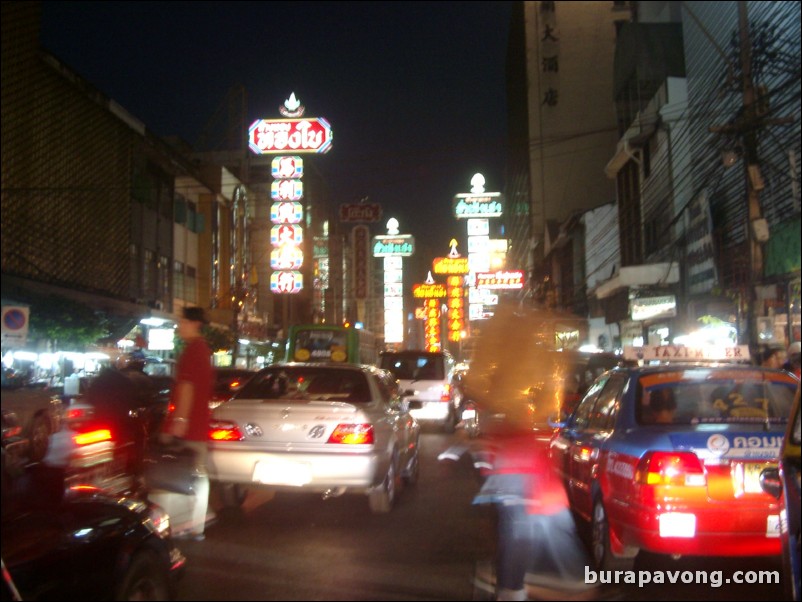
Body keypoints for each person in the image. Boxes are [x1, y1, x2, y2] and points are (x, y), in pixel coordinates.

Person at [473, 418, 595, 601]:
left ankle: (513, 588)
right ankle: (515, 588)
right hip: (535, 495)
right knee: (530, 538)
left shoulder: (510, 436)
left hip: (527, 493)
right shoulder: (523, 437)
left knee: (519, 538)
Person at [160, 306, 214, 541]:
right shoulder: (203, 350)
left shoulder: (193, 351)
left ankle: (183, 524)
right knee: (196, 474)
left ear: (194, 323)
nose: (178, 326)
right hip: (198, 424)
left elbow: (187, 387)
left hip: (189, 426)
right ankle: (196, 524)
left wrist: (179, 421)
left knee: (177, 474)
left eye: (181, 322)